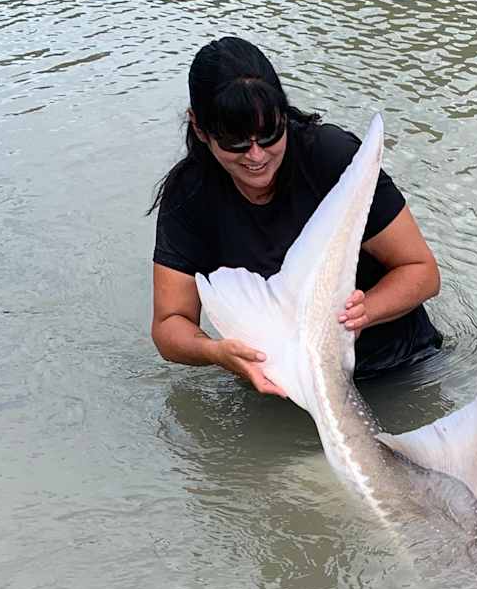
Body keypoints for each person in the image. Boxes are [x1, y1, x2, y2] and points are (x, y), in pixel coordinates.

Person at [151, 37, 442, 395]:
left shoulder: (331, 158)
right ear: (199, 128)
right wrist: (215, 352)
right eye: (234, 142)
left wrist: (362, 314)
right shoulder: (190, 195)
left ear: (284, 113)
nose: (256, 156)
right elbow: (169, 324)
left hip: (395, 367)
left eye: (271, 133)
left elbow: (423, 272)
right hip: (280, 383)